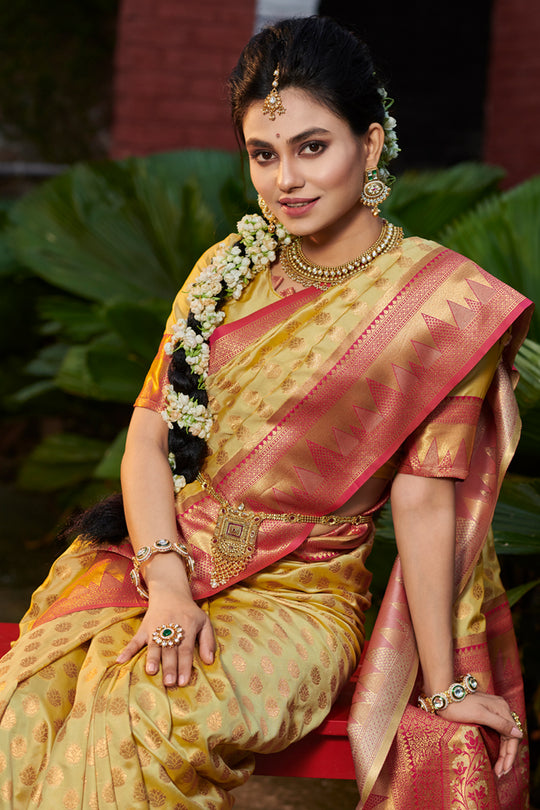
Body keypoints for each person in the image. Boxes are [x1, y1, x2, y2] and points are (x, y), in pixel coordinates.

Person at [0, 16, 533, 810]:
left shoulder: (439, 306)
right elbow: (147, 440)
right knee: (28, 708)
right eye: (264, 153)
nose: (287, 177)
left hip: (300, 598)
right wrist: (170, 582)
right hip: (160, 561)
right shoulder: (226, 268)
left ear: (372, 143)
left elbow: (425, 501)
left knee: (147, 711)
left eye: (313, 146)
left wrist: (449, 684)